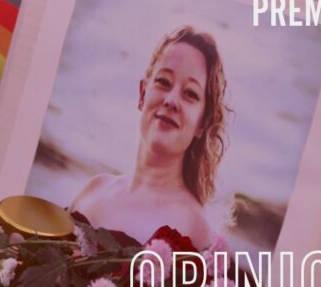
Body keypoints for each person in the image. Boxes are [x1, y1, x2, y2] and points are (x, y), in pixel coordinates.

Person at [70, 26, 228, 248]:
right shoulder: (94, 189)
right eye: (163, 82)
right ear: (143, 94)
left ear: (202, 123)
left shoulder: (196, 229)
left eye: (190, 94)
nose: (171, 100)